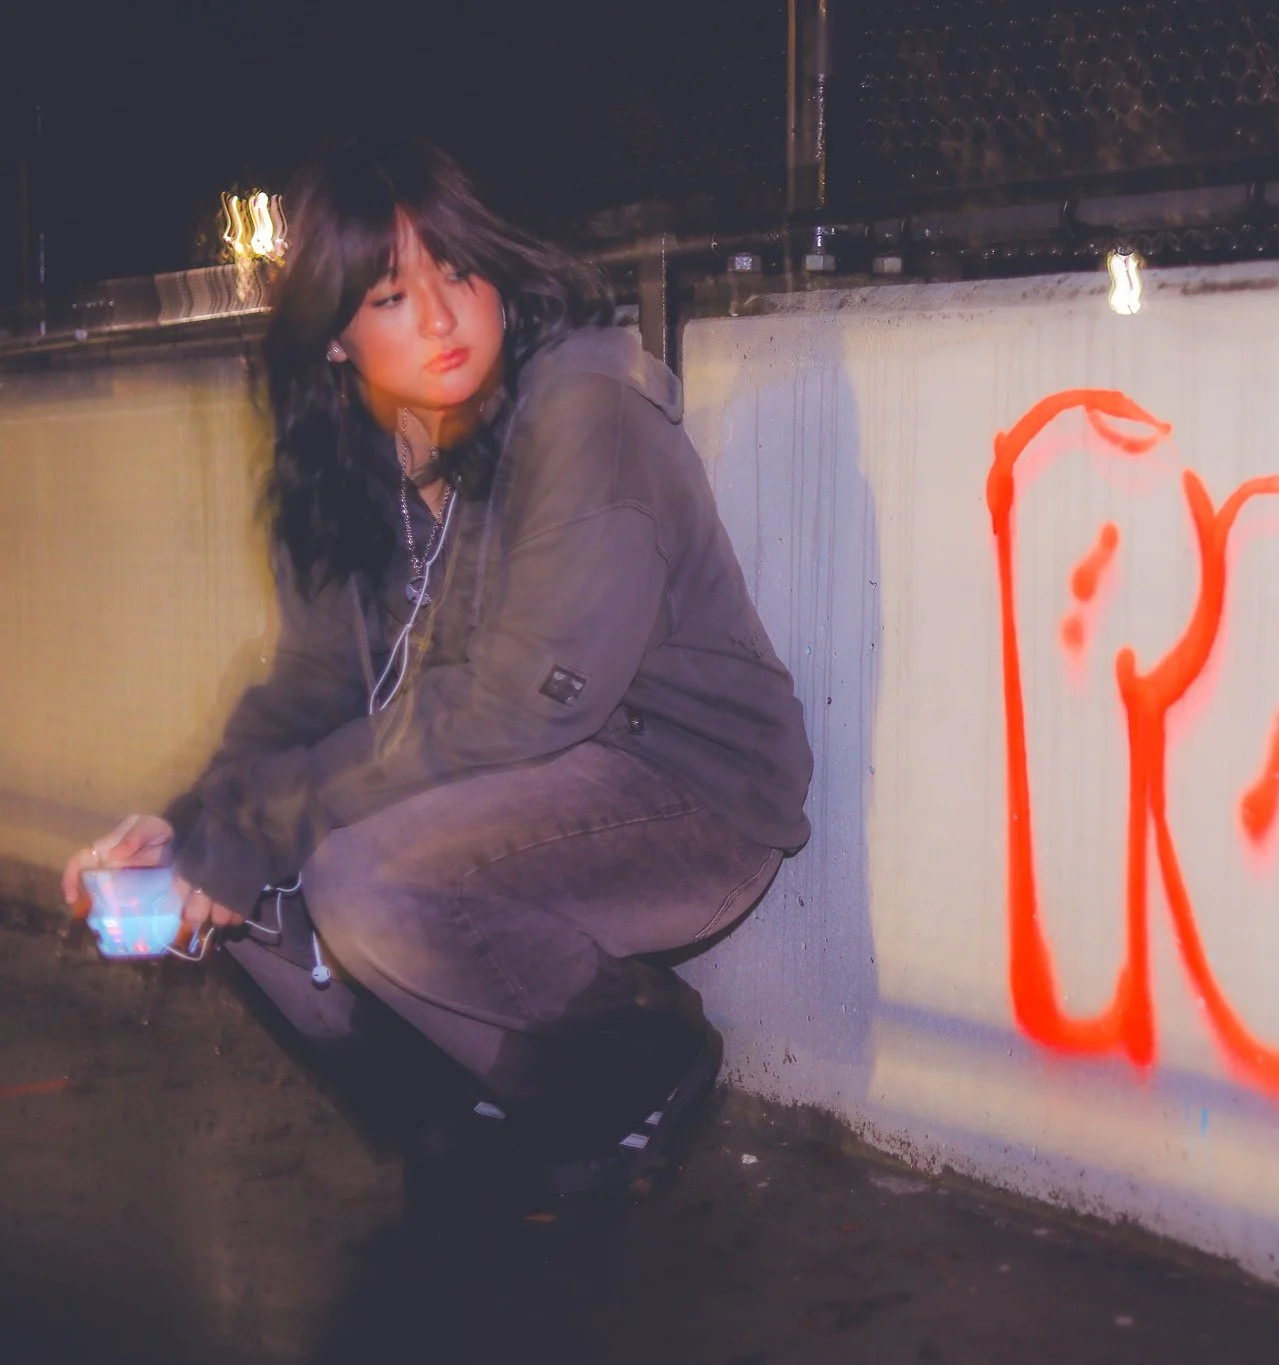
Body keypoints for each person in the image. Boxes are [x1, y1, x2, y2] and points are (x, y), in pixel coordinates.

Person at [58, 136, 812, 1204]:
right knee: (243, 879)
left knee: (359, 876)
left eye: (459, 271)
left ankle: (636, 1065)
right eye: (390, 295)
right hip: (497, 784)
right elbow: (316, 682)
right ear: (333, 336)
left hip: (684, 797)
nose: (446, 318)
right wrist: (195, 827)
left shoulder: (582, 416)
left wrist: (258, 823)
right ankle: (456, 1122)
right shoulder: (352, 455)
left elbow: (522, 704)